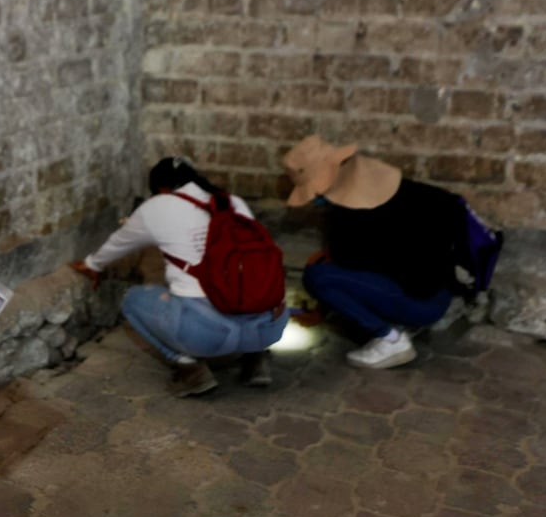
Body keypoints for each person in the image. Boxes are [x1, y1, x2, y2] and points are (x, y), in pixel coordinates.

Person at [70, 157, 289, 397]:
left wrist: (91, 265)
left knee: (131, 298)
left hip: (208, 335)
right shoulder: (232, 201)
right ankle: (257, 359)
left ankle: (190, 369)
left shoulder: (158, 206)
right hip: (268, 326)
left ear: (161, 188)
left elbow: (116, 246)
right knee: (245, 287)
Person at [282, 135, 456, 370]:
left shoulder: (349, 215)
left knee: (318, 277)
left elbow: (349, 262)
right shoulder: (397, 186)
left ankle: (391, 339)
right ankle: (402, 322)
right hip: (440, 293)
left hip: (419, 302)